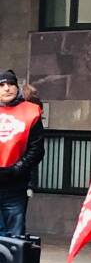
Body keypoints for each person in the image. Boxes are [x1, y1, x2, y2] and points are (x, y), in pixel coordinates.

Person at [0, 70, 44, 237]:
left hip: (15, 185)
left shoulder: (31, 112)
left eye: (11, 84)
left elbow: (37, 149)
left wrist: (15, 170)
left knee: (14, 237)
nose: (7, 88)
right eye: (2, 85)